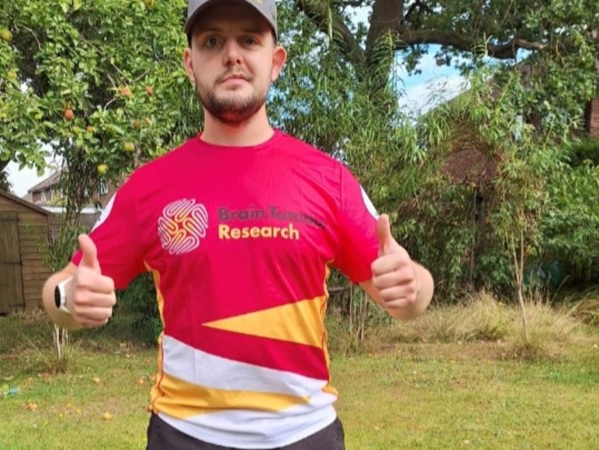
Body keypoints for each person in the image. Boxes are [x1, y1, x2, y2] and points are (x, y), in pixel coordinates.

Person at [41, 0, 434, 448]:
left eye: (249, 39)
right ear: (190, 63)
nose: (232, 55)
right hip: (184, 436)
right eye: (212, 41)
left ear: (276, 61)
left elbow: (408, 301)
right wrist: (68, 297)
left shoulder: (329, 180)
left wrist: (413, 285)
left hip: (305, 435)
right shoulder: (149, 187)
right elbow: (60, 292)